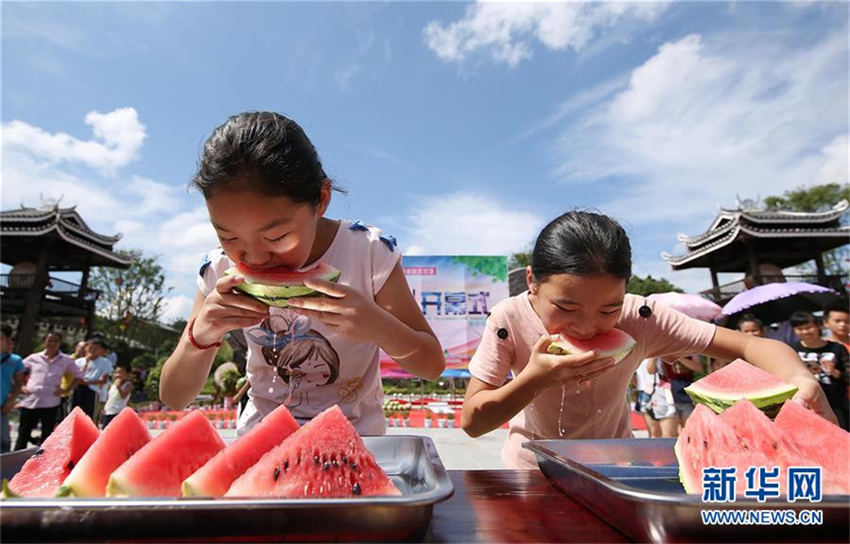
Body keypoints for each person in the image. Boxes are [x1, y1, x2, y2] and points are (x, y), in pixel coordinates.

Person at [461, 210, 835, 469]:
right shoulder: (508, 318)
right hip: (530, 472)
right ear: (532, 281)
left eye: (609, 309)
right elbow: (473, 422)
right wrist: (534, 379)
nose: (588, 327)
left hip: (612, 469)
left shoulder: (641, 317)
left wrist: (800, 378)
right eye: (566, 307)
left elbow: (751, 346)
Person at [159, 112, 445, 435]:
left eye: (277, 237)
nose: (255, 258)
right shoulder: (219, 269)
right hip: (261, 442)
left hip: (354, 441)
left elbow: (432, 365)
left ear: (321, 200)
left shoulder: (369, 253)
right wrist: (200, 336)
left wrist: (378, 326)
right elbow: (174, 397)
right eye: (229, 237)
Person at [15, 331, 84, 450]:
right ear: (44, 342)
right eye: (49, 341)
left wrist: (66, 390)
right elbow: (17, 370)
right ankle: (17, 459)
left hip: (50, 402)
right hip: (31, 401)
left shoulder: (66, 360)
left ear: (60, 343)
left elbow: (79, 376)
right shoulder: (34, 358)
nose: (52, 344)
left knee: (46, 436)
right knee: (23, 435)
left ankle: (42, 459)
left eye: (55, 341)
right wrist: (21, 386)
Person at [790, 311, 849, 430]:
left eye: (809, 327)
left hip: (837, 403)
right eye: (800, 329)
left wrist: (833, 371)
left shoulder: (837, 348)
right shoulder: (791, 349)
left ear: (819, 326)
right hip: (807, 404)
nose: (805, 332)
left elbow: (848, 377)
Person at [71, 338, 113, 420]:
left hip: (92, 390)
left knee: (89, 416)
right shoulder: (78, 361)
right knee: (73, 415)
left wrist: (87, 382)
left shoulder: (104, 362)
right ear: (86, 348)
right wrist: (86, 362)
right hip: (77, 389)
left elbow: (104, 380)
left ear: (100, 350)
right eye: (90, 348)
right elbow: (74, 376)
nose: (92, 350)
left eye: (96, 348)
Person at [1, 326, 27, 453]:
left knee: (3, 443)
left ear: (7, 340)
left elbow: (19, 382)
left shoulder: (15, 360)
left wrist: (11, 401)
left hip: (2, 406)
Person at [632, 359, 661, 438]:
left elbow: (651, 370)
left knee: (656, 430)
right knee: (652, 430)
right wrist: (638, 386)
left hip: (658, 389)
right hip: (643, 391)